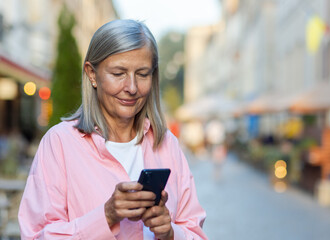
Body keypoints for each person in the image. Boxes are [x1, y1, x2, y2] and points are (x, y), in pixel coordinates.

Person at [18, 19, 207, 240]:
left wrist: (171, 233)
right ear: (92, 74)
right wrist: (106, 216)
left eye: (143, 74)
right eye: (118, 74)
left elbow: (196, 232)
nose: (132, 87)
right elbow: (36, 236)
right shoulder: (60, 143)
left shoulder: (166, 144)